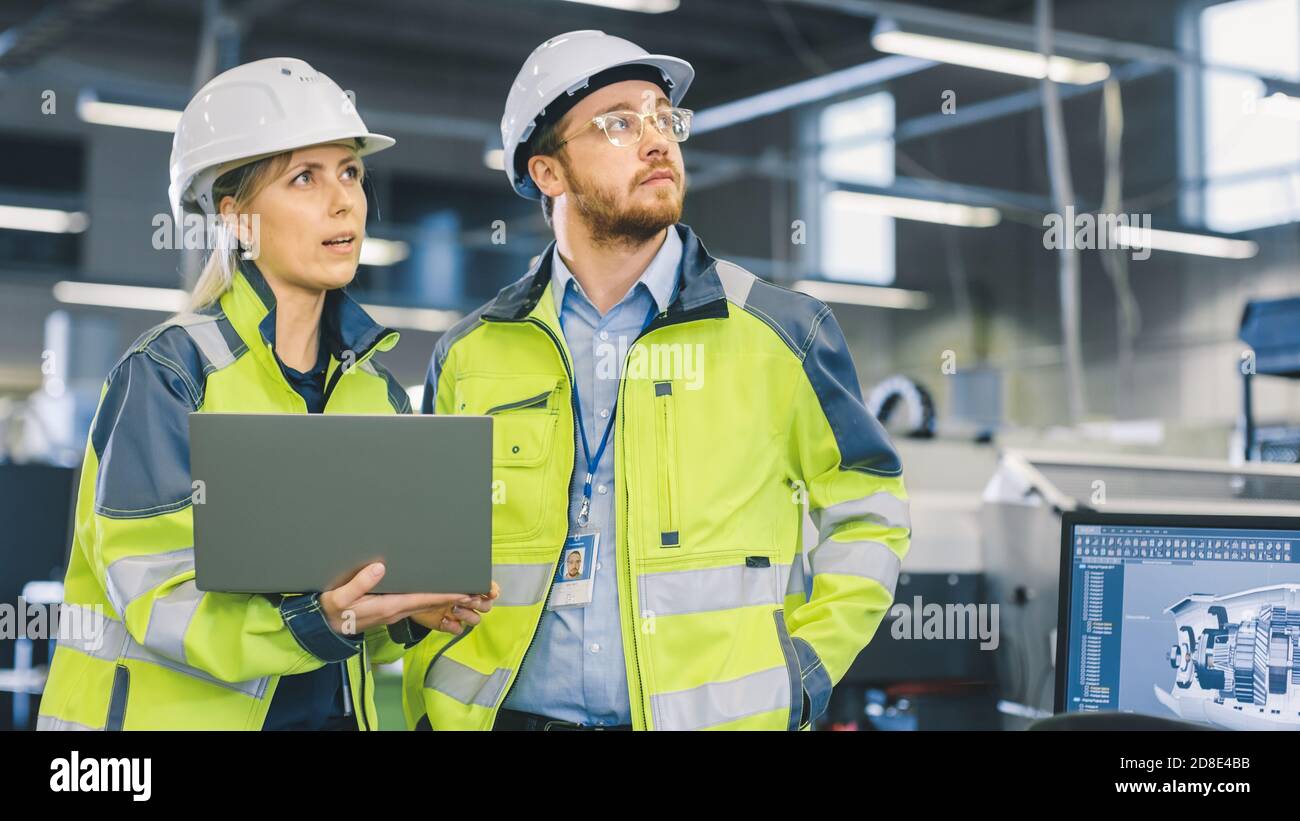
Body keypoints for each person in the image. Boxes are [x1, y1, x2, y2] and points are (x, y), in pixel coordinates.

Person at [405, 30, 910, 731]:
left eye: (663, 118)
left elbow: (870, 512)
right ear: (548, 173)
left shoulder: (780, 332)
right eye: (618, 123)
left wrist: (805, 670)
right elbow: (422, 555)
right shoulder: (473, 353)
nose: (655, 140)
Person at [38, 57, 494, 731]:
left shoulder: (375, 394)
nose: (343, 200)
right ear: (237, 216)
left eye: (351, 173)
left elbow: (345, 609)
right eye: (305, 177)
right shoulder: (169, 375)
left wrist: (404, 609)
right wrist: (323, 617)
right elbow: (159, 601)